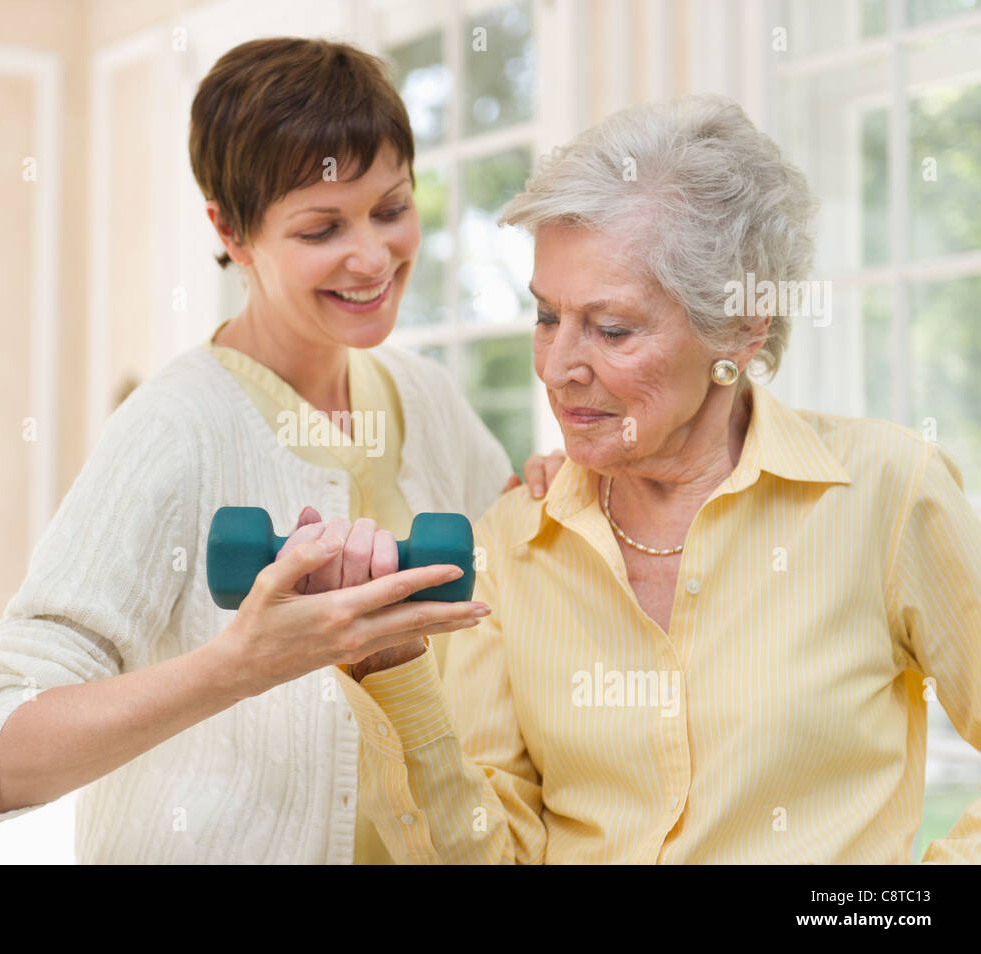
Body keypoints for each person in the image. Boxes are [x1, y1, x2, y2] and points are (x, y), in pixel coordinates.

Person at [313, 93, 981, 863]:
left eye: (612, 329)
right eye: (546, 317)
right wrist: (390, 668)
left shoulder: (887, 493)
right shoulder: (512, 543)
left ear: (738, 329)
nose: (559, 367)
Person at [0, 36, 560, 864]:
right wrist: (239, 664)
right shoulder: (176, 427)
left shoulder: (424, 396)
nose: (373, 256)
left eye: (390, 208)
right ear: (232, 233)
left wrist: (555, 488)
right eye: (321, 229)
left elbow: (518, 587)